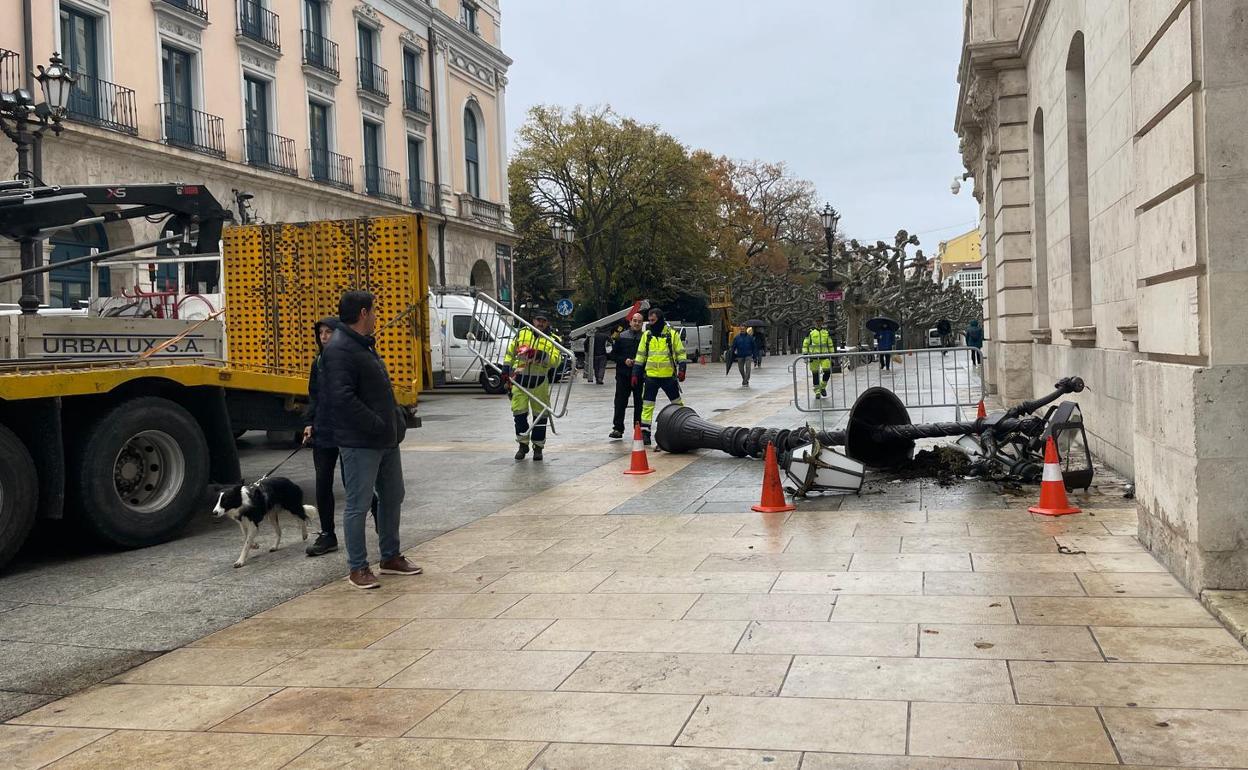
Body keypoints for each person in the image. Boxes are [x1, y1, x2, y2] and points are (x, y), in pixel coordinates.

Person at [322, 290, 420, 589]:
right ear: (363, 313)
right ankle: (358, 567)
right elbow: (342, 398)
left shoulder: (362, 344)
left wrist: (394, 417)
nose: (377, 314)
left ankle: (390, 556)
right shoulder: (339, 349)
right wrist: (377, 423)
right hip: (361, 442)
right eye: (374, 310)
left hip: (385, 439)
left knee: (393, 495)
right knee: (358, 504)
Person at [502, 310, 563, 461]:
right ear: (533, 320)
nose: (540, 323)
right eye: (538, 320)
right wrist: (506, 366)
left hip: (539, 382)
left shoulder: (553, 339)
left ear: (547, 322)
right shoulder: (522, 333)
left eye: (543, 320)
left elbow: (557, 360)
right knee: (519, 413)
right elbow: (511, 351)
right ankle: (523, 445)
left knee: (541, 416)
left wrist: (543, 356)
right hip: (520, 379)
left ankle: (538, 447)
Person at [633, 307, 686, 446]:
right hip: (651, 377)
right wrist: (635, 373)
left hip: (668, 377)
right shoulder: (647, 335)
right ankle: (645, 433)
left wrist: (682, 369)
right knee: (647, 406)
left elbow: (681, 353)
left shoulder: (671, 334)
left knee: (677, 404)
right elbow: (640, 355)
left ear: (660, 320)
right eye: (649, 320)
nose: (651, 323)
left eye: (653, 320)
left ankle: (684, 425)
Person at [609, 312, 645, 439]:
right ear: (630, 322)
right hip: (623, 375)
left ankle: (638, 428)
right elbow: (613, 355)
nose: (636, 323)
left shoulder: (645, 338)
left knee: (639, 403)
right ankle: (618, 428)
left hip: (639, 376)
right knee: (620, 402)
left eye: (639, 321)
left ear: (642, 323)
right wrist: (624, 360)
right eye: (634, 320)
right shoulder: (621, 336)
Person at [802, 318, 835, 399]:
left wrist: (832, 356)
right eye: (817, 321)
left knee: (827, 371)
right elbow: (805, 344)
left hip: (825, 356)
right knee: (815, 374)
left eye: (820, 321)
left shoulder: (826, 332)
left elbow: (830, 344)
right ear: (814, 322)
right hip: (814, 357)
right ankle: (817, 392)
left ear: (822, 322)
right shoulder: (810, 332)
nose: (818, 323)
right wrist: (805, 355)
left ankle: (822, 387)